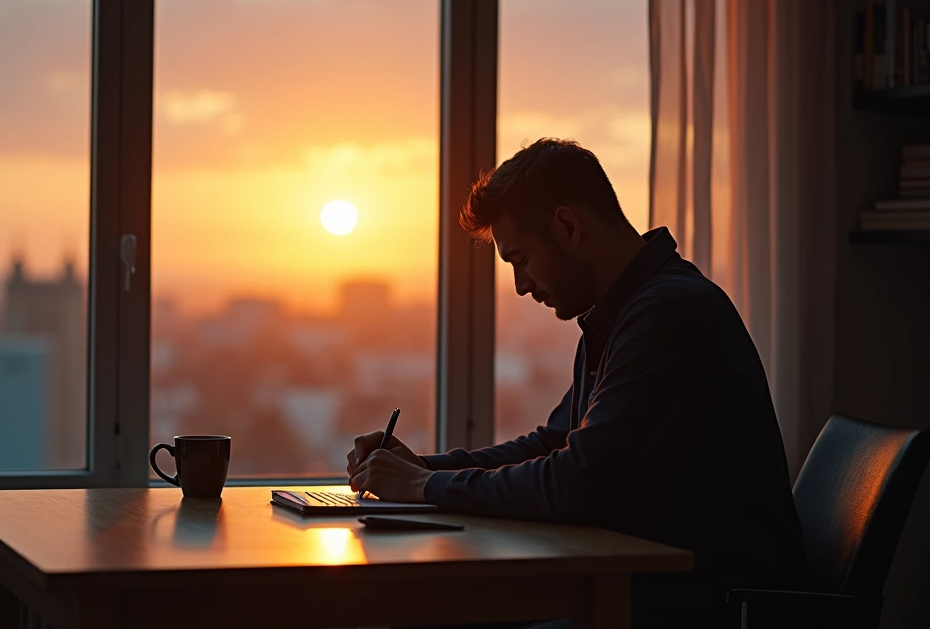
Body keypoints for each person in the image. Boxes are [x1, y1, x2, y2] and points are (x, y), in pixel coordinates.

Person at [346, 139, 808, 628]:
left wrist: (427, 486)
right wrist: (420, 468)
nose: (521, 285)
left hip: (706, 608)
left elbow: (574, 483)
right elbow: (554, 443)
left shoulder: (668, 315)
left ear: (568, 227)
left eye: (520, 259)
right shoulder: (624, 313)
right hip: (653, 590)